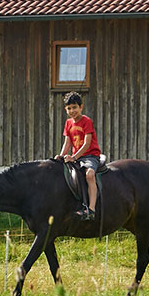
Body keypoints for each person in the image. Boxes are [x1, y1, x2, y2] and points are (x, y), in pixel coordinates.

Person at [54, 91, 103, 220]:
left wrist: (74, 157)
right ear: (66, 109)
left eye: (75, 107)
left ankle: (91, 209)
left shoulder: (86, 121)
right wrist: (61, 155)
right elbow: (67, 142)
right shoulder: (68, 123)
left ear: (81, 107)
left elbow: (87, 144)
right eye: (69, 108)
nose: (72, 111)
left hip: (90, 156)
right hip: (76, 156)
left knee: (89, 175)